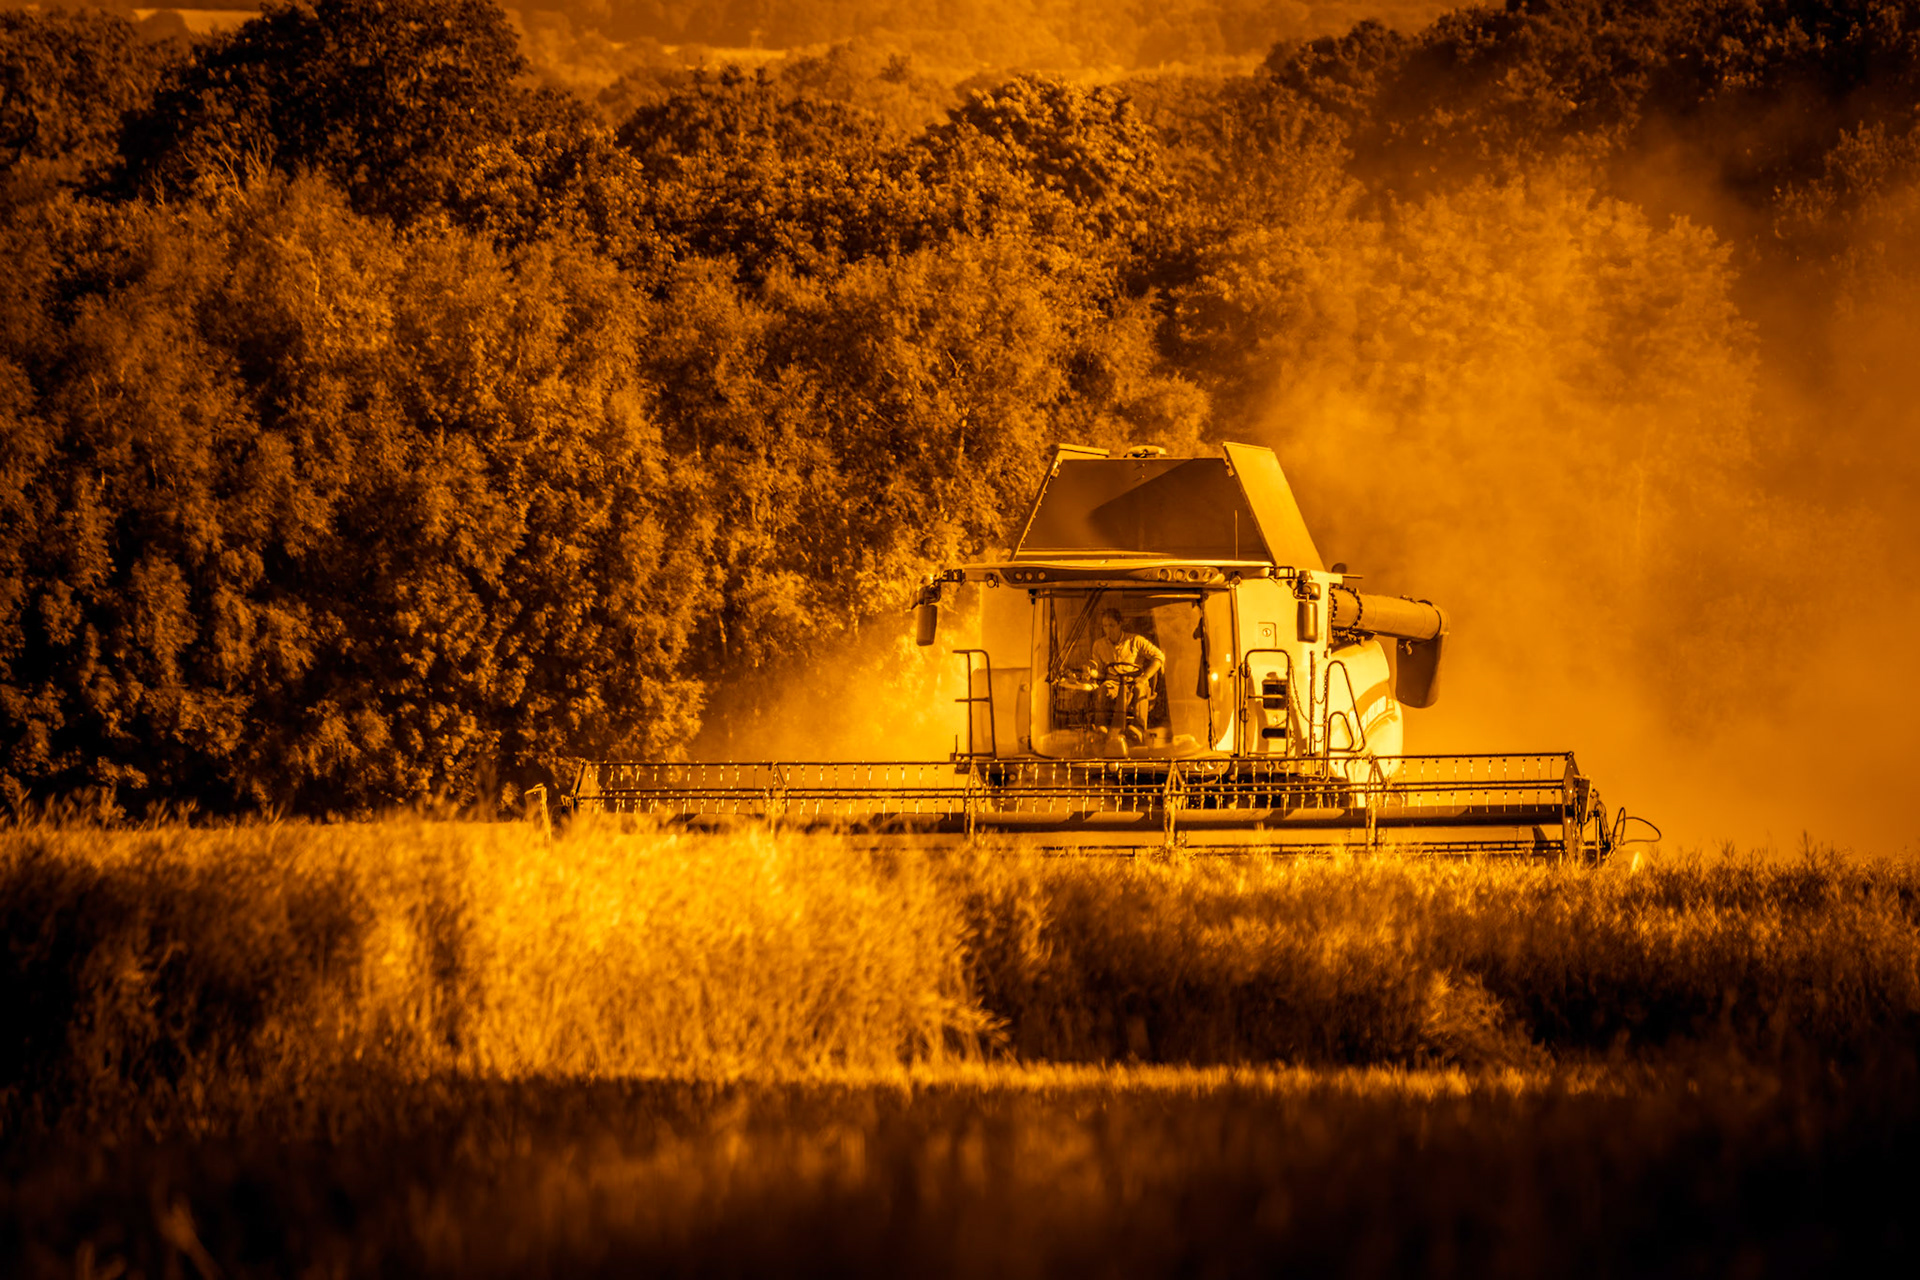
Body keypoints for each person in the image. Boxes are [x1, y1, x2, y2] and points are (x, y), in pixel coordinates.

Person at [1091, 607, 1165, 745]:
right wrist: (1092, 673)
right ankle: (1101, 728)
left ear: (1120, 624)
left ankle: (1138, 729)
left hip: (1133, 682)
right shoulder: (1098, 645)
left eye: (1111, 625)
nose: (1108, 630)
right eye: (1105, 626)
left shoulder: (1136, 641)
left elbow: (1159, 657)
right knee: (1102, 690)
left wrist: (1145, 677)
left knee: (1140, 689)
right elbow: (1100, 672)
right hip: (1113, 684)